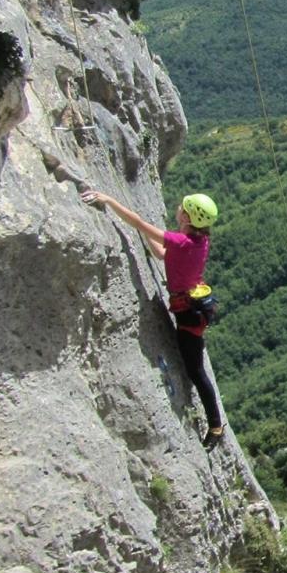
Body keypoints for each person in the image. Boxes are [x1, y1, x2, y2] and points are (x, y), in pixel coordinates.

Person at [82, 188, 225, 449]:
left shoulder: (181, 241)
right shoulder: (199, 240)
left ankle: (216, 426)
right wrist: (144, 235)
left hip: (188, 315)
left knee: (196, 372)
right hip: (193, 308)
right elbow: (161, 254)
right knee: (195, 367)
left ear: (187, 217)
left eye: (183, 207)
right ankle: (215, 423)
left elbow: (138, 222)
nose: (178, 208)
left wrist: (109, 199)